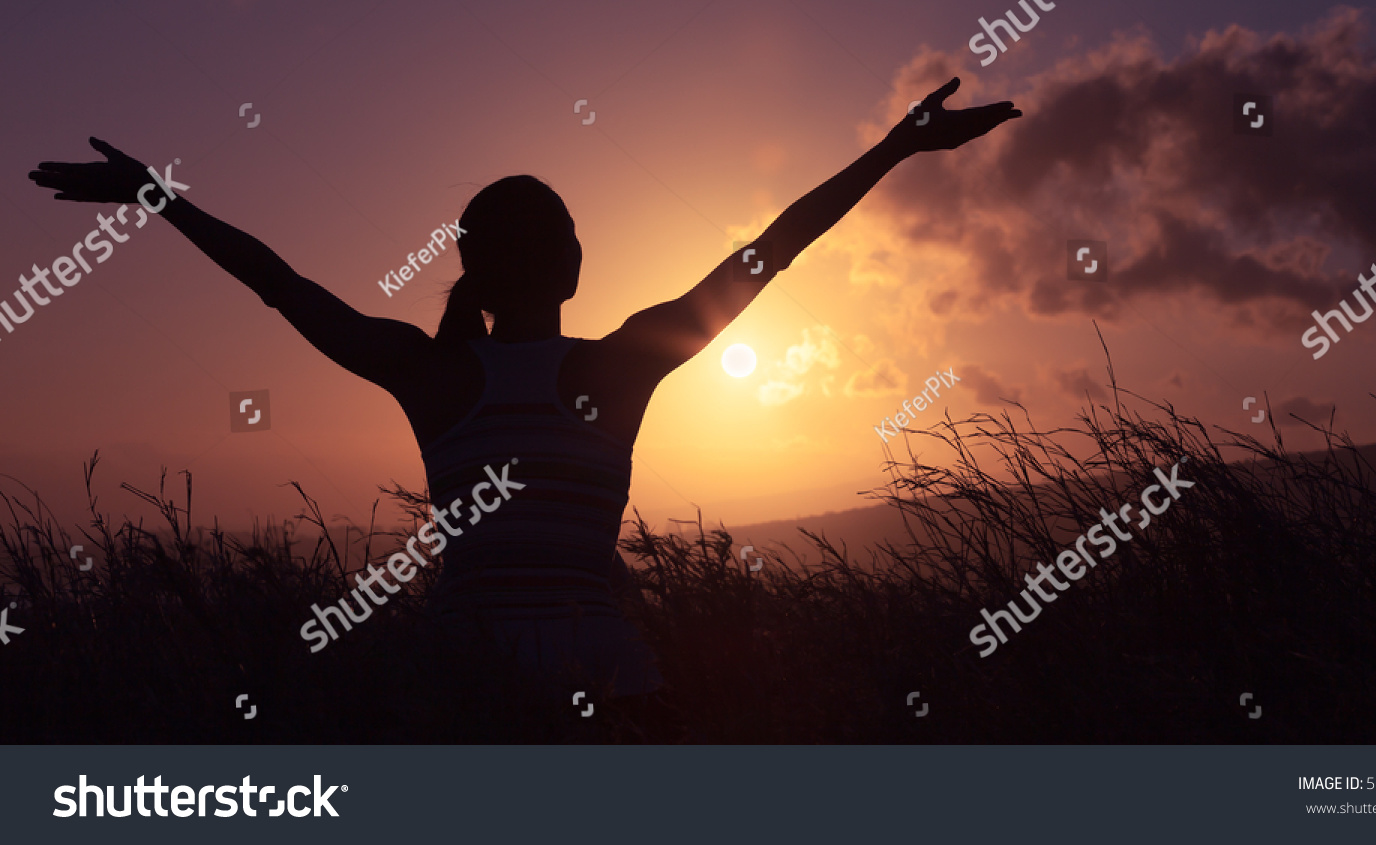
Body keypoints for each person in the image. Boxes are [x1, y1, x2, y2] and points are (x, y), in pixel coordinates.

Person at [29, 77, 1020, 711]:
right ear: (573, 268)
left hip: (468, 692)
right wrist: (896, 146)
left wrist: (155, 197)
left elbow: (276, 281)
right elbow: (771, 252)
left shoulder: (432, 373)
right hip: (610, 692)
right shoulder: (617, 365)